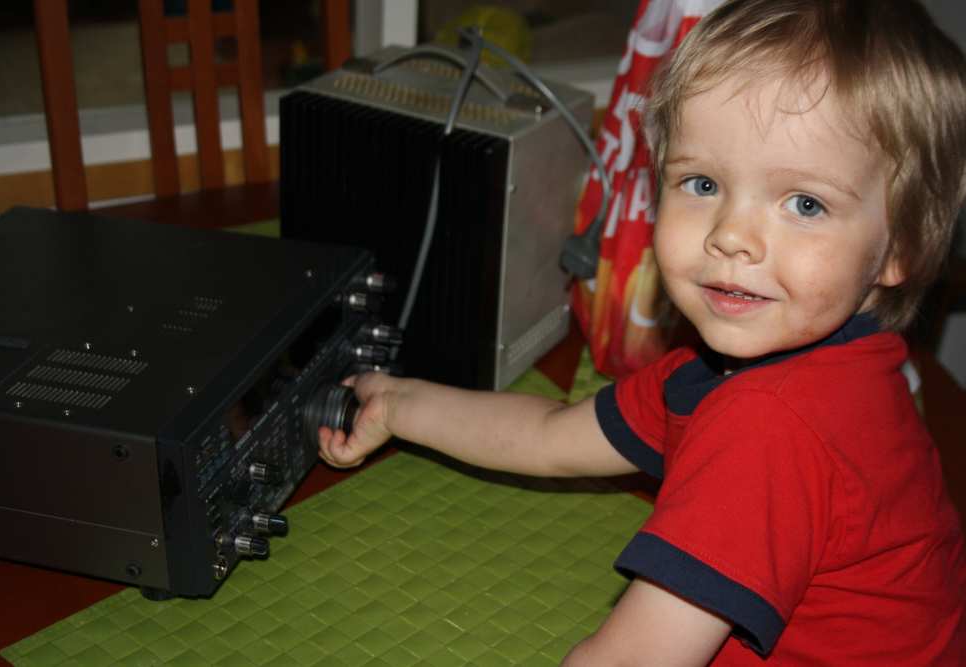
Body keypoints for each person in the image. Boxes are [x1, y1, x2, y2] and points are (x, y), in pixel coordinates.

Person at [318, 0, 966, 663]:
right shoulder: (790, 365)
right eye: (703, 183)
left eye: (805, 203)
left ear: (902, 247)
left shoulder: (771, 424)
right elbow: (552, 436)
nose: (731, 236)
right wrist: (398, 403)